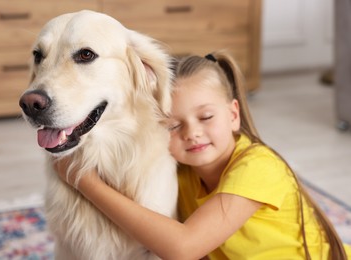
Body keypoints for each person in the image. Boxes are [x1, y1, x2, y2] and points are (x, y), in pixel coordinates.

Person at [54, 50, 351, 259]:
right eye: (173, 125)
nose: (192, 133)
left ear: (233, 114)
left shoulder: (259, 167)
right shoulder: (180, 173)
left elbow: (183, 248)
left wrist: (84, 181)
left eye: (206, 117)